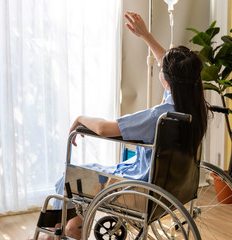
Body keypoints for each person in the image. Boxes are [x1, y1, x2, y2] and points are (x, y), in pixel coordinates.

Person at [30, 11, 208, 240]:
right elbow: (173, 67)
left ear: (166, 80)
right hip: (170, 188)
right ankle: (72, 229)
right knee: (83, 187)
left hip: (137, 186)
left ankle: (51, 235)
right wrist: (146, 36)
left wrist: (81, 119)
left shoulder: (159, 117)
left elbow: (104, 129)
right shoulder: (192, 109)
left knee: (69, 175)